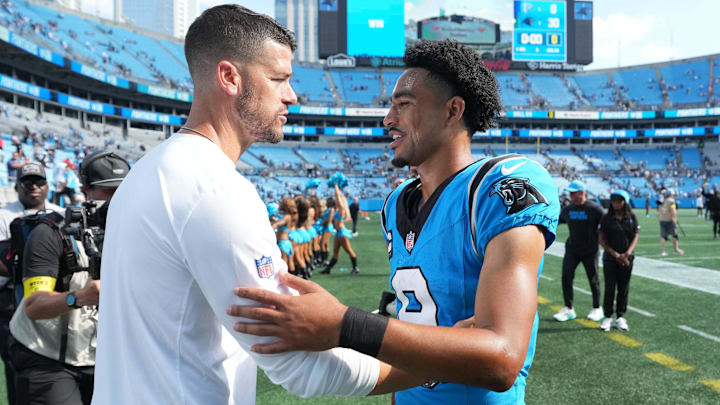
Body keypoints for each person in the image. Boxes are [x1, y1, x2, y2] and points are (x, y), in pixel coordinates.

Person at [228, 39, 560, 404]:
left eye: (404, 104)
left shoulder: (498, 187)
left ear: (452, 110)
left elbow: (501, 358)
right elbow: (407, 321)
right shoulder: (396, 204)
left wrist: (344, 325)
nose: (388, 118)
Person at [92, 6, 395, 404]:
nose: (292, 95)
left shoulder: (147, 172)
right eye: (279, 79)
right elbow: (297, 364)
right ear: (230, 77)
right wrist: (438, 362)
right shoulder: (213, 188)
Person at [9, 152, 129, 405]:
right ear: (85, 190)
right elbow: (34, 306)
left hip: (101, 358)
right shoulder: (50, 233)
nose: (118, 198)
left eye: (124, 190)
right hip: (46, 355)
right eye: (108, 191)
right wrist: (80, 297)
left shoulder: (137, 232)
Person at [0, 163, 63, 405]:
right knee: (16, 360)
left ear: (48, 186)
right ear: (17, 186)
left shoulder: (60, 211)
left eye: (39, 182)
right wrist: (28, 271)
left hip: (53, 294)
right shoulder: (4, 215)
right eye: (28, 183)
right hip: (12, 297)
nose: (34, 187)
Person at [552, 180, 604, 323]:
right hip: (572, 249)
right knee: (566, 277)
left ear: (582, 193)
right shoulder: (568, 209)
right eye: (570, 193)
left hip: (590, 250)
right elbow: (558, 220)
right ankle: (569, 309)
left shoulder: (595, 209)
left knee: (593, 279)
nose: (571, 196)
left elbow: (606, 225)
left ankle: (597, 308)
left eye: (573, 193)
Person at [598, 190, 639, 332]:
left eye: (619, 200)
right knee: (610, 287)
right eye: (613, 200)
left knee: (623, 288)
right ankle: (607, 316)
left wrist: (627, 253)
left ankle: (620, 316)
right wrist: (616, 255)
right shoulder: (606, 218)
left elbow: (635, 236)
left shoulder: (632, 217)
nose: (615, 203)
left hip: (627, 259)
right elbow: (601, 239)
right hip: (610, 258)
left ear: (624, 202)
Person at [658, 189, 683, 256]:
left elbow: (659, 210)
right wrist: (674, 219)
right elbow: (673, 211)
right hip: (669, 220)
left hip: (662, 220)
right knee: (675, 235)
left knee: (663, 236)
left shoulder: (662, 200)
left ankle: (663, 251)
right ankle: (676, 249)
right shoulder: (671, 201)